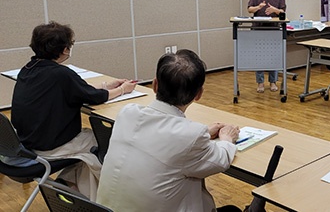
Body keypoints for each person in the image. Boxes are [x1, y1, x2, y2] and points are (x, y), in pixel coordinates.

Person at [97, 50, 242, 212]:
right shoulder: (191, 135)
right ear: (199, 94)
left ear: (155, 85)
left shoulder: (127, 112)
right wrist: (227, 138)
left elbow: (160, 140)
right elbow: (220, 160)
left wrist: (206, 133)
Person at [10, 21, 136, 200]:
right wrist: (123, 90)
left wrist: (107, 85)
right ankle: (111, 197)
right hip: (48, 147)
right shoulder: (60, 74)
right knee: (105, 143)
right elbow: (95, 97)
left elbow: (79, 89)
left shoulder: (28, 70)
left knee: (88, 148)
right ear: (63, 49)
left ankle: (69, 184)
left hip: (27, 141)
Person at [247, 0, 286, 93]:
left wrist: (275, 10)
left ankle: (273, 82)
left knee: (272, 56)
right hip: (258, 28)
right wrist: (259, 7)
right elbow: (249, 9)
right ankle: (260, 83)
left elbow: (283, 11)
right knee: (260, 56)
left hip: (273, 29)